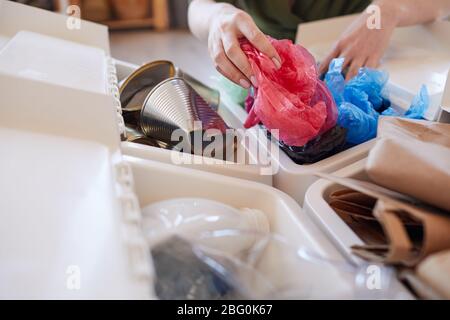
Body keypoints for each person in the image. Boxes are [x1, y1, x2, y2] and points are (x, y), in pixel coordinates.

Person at [188, 0, 450, 87]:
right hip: (255, 77)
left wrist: (385, 11)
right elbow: (197, 6)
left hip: (364, 70)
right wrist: (216, 18)